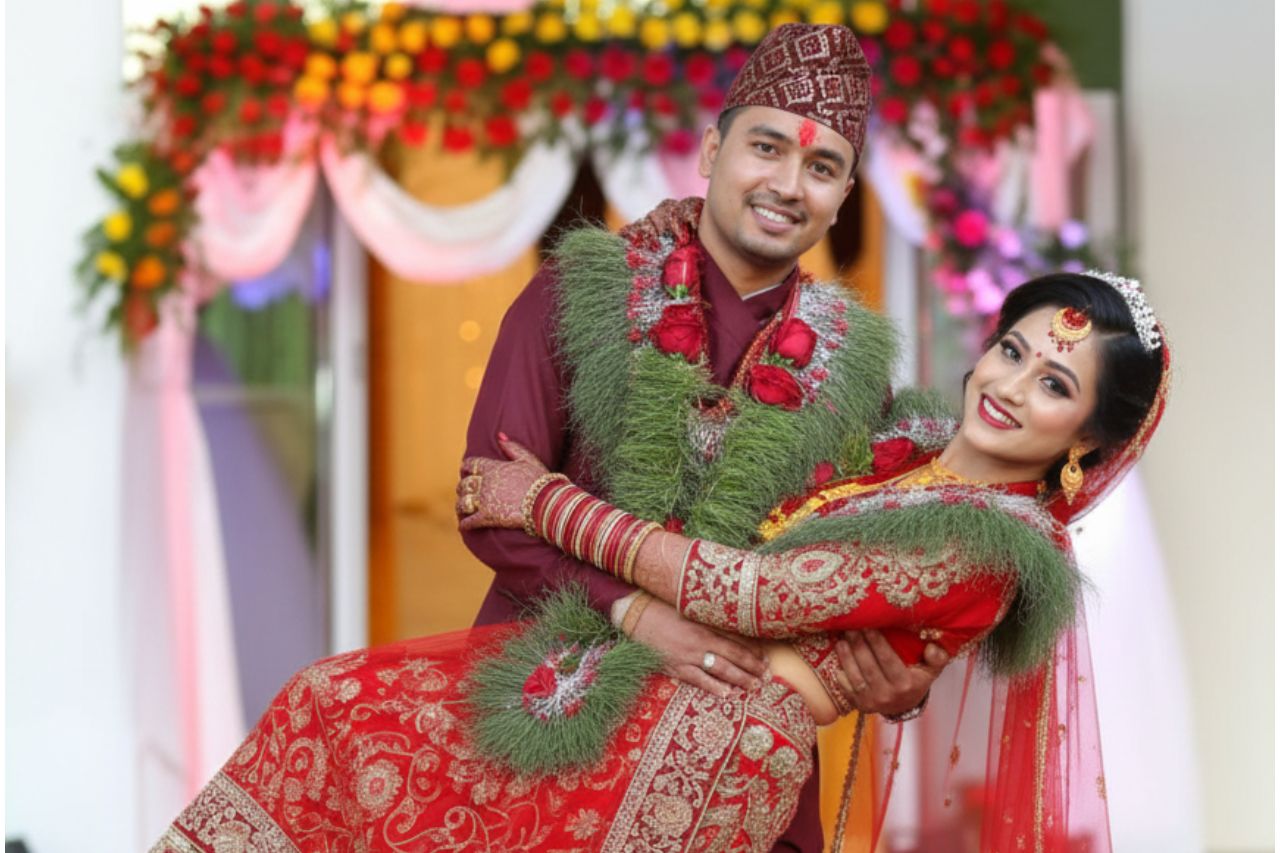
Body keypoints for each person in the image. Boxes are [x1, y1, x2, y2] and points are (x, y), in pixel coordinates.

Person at [151, 271, 1170, 852]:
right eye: (1013, 350)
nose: (1011, 385)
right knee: (331, 706)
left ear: (1085, 439)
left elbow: (753, 591)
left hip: (714, 750)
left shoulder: (990, 536)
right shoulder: (904, 453)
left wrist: (544, 501)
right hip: (647, 689)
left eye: (1054, 384)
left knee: (343, 715)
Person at [456, 23, 946, 850]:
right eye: (767, 148)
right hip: (552, 718)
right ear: (713, 151)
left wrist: (901, 680)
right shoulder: (580, 290)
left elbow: (867, 573)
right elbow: (491, 499)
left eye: (822, 167)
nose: (788, 184)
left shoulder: (855, 370)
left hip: (741, 762)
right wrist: (637, 613)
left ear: (842, 196)